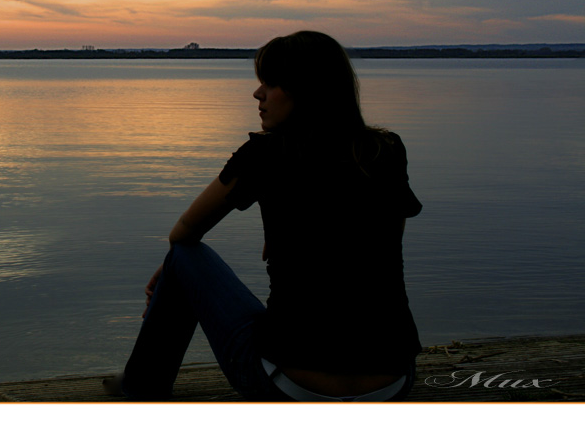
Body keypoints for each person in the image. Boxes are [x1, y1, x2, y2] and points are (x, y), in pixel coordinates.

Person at [104, 30, 423, 401]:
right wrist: (287, 231)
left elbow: (184, 232)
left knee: (184, 256)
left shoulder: (264, 154)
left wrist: (175, 269)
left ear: (306, 89)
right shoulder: (385, 150)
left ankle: (140, 386)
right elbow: (384, 240)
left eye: (270, 84)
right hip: (392, 386)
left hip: (287, 387)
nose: (258, 95)